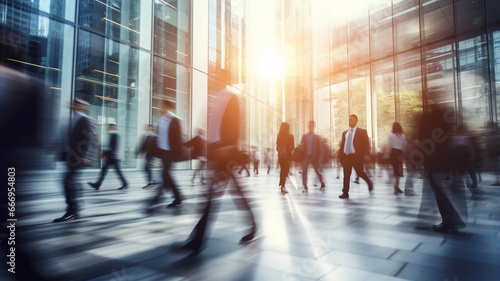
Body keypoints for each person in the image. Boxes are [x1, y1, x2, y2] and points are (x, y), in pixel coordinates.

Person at [182, 89, 257, 253]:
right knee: (234, 193)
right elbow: (212, 128)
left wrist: (228, 148)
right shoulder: (215, 99)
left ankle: (198, 239)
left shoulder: (231, 98)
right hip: (217, 154)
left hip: (226, 155)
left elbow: (235, 125)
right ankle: (253, 224)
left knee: (211, 197)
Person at [54, 98, 98, 222]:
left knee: (68, 180)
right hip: (70, 155)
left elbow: (92, 139)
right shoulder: (70, 119)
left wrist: (87, 156)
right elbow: (65, 136)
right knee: (71, 180)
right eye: (73, 103)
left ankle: (72, 210)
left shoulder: (86, 120)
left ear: (83, 107)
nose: (73, 105)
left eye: (76, 104)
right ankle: (75, 209)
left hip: (79, 157)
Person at [150, 99, 185, 208]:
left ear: (167, 107)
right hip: (163, 152)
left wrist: (177, 154)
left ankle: (162, 196)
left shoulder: (174, 120)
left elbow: (178, 138)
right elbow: (159, 137)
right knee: (166, 175)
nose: (160, 108)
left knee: (165, 174)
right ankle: (177, 196)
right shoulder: (162, 120)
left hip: (170, 152)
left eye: (162, 106)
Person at [338, 114, 373, 199]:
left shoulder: (362, 132)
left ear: (356, 121)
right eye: (349, 119)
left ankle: (369, 182)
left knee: (360, 172)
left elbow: (366, 144)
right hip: (346, 156)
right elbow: (342, 146)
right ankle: (345, 193)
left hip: (357, 156)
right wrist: (339, 157)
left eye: (352, 119)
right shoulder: (345, 133)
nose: (350, 121)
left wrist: (366, 154)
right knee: (346, 175)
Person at [88, 124, 129, 190]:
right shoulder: (109, 135)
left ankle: (98, 184)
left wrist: (112, 154)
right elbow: (106, 146)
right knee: (105, 170)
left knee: (111, 171)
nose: (107, 128)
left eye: (109, 127)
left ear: (113, 128)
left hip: (114, 157)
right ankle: (97, 184)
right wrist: (104, 154)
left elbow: (114, 146)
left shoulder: (115, 135)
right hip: (111, 156)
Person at [300, 120, 325, 192]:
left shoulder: (317, 137)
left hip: (314, 157)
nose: (311, 127)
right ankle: (305, 186)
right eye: (310, 125)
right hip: (306, 156)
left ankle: (322, 183)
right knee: (304, 171)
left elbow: (319, 148)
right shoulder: (304, 136)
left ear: (314, 126)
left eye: (312, 125)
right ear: (308, 126)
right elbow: (301, 146)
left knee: (317, 170)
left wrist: (320, 157)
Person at [386, 122, 406, 194]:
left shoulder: (390, 135)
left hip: (393, 153)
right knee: (398, 170)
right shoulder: (403, 136)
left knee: (395, 169)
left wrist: (387, 155)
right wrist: (403, 155)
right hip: (399, 153)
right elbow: (404, 146)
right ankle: (397, 185)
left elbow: (389, 145)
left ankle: (395, 185)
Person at [136, 124, 158, 189]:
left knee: (148, 168)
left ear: (153, 130)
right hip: (147, 155)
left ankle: (151, 182)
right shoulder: (145, 136)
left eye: (151, 129)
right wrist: (138, 152)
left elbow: (157, 147)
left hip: (152, 155)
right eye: (148, 129)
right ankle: (153, 181)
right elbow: (142, 145)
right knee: (146, 169)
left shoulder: (155, 137)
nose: (149, 130)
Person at [276, 122, 294, 194]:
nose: (281, 128)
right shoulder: (287, 136)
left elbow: (277, 147)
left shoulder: (285, 136)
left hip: (282, 155)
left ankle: (282, 184)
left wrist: (282, 152)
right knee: (284, 170)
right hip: (285, 156)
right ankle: (282, 186)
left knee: (284, 170)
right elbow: (292, 147)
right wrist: (287, 152)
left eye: (283, 127)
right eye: (281, 126)